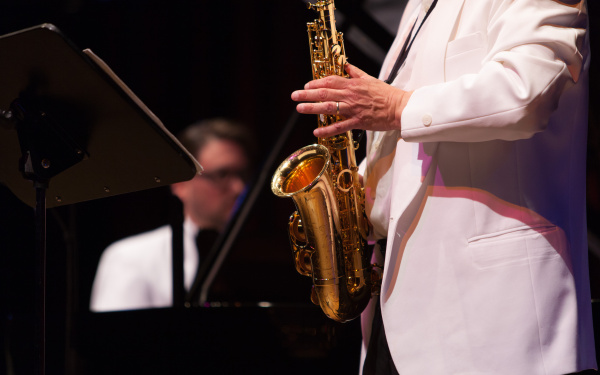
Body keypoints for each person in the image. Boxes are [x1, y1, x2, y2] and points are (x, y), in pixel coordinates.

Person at [291, 0, 596, 374]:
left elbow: (527, 94)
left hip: (494, 313)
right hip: (404, 313)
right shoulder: (420, 7)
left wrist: (399, 106)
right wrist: (355, 197)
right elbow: (418, 137)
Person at [90, 118, 256, 312]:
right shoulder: (130, 257)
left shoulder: (261, 258)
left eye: (243, 175)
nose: (239, 188)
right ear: (181, 184)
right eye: (222, 174)